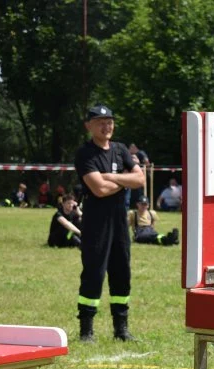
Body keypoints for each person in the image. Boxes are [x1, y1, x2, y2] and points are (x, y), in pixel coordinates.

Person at [74, 104, 145, 342]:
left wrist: (112, 177)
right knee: (94, 272)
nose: (107, 126)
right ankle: (86, 330)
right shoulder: (85, 154)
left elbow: (140, 179)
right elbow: (99, 189)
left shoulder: (120, 149)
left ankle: (121, 328)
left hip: (119, 221)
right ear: (89, 126)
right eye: (101, 122)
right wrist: (125, 181)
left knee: (121, 271)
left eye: (110, 121)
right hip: (96, 221)